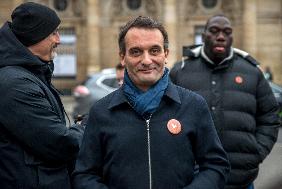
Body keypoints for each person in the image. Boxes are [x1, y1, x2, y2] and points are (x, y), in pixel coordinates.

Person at [72, 16, 230, 189]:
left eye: (154, 50)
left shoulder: (193, 105)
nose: (146, 60)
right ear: (123, 57)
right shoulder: (101, 112)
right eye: (136, 52)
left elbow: (215, 166)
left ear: (166, 54)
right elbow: (84, 175)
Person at [170, 14, 279, 189]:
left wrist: (255, 153)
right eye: (214, 31)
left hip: (241, 180)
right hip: (194, 181)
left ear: (232, 37)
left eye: (226, 32)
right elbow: (165, 118)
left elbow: (270, 117)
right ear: (204, 35)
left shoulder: (252, 72)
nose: (220, 36)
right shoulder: (180, 71)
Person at [0, 2, 84, 189]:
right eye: (53, 32)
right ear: (35, 36)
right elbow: (60, 143)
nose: (59, 39)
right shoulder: (14, 83)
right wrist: (88, 126)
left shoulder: (28, 74)